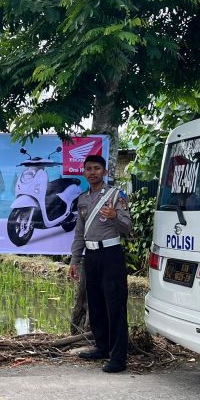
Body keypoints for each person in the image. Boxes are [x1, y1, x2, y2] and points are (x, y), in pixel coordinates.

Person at [68, 154, 131, 373]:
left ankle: (118, 357)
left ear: (104, 172)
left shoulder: (115, 195)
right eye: (88, 169)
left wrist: (115, 216)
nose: (92, 172)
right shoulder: (83, 199)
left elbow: (128, 228)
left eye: (96, 168)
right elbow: (79, 232)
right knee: (95, 304)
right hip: (91, 257)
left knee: (115, 305)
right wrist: (75, 260)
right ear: (84, 172)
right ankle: (102, 347)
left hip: (111, 254)